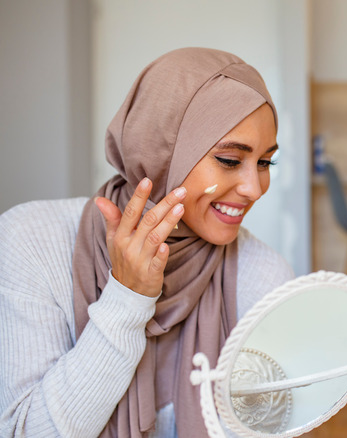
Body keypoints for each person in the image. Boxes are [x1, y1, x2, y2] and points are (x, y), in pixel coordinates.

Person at [0, 47, 294, 437]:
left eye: (264, 162)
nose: (254, 188)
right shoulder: (32, 239)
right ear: (161, 151)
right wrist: (128, 298)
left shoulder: (264, 276)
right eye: (229, 160)